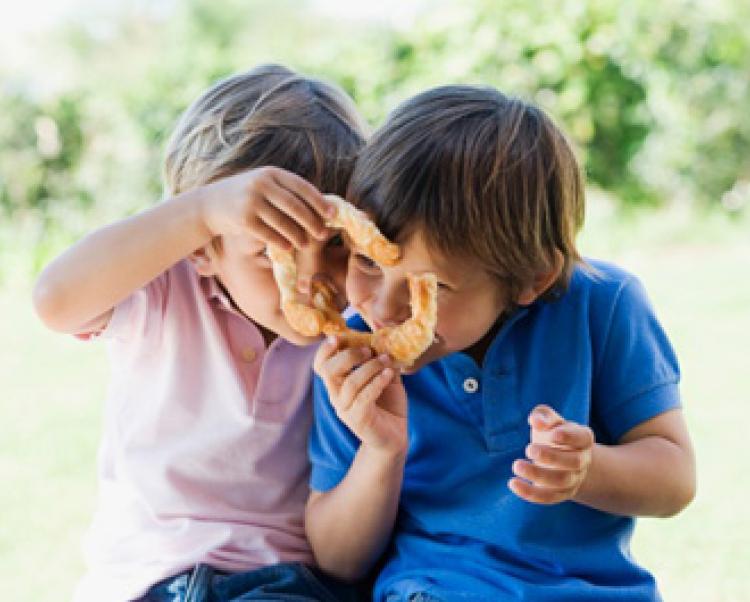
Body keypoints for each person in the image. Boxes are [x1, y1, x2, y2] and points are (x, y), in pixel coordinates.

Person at [306, 85, 696, 601]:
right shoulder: (350, 361)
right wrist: (382, 449)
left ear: (530, 279)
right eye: (367, 263)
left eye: (434, 289)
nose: (382, 309)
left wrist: (588, 470)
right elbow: (337, 560)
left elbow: (675, 478)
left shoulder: (603, 306)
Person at [33, 64, 367, 602]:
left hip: (288, 583)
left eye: (336, 247)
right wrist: (202, 209)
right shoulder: (162, 291)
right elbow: (54, 301)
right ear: (204, 248)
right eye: (271, 253)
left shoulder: (357, 330)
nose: (312, 281)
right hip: (151, 576)